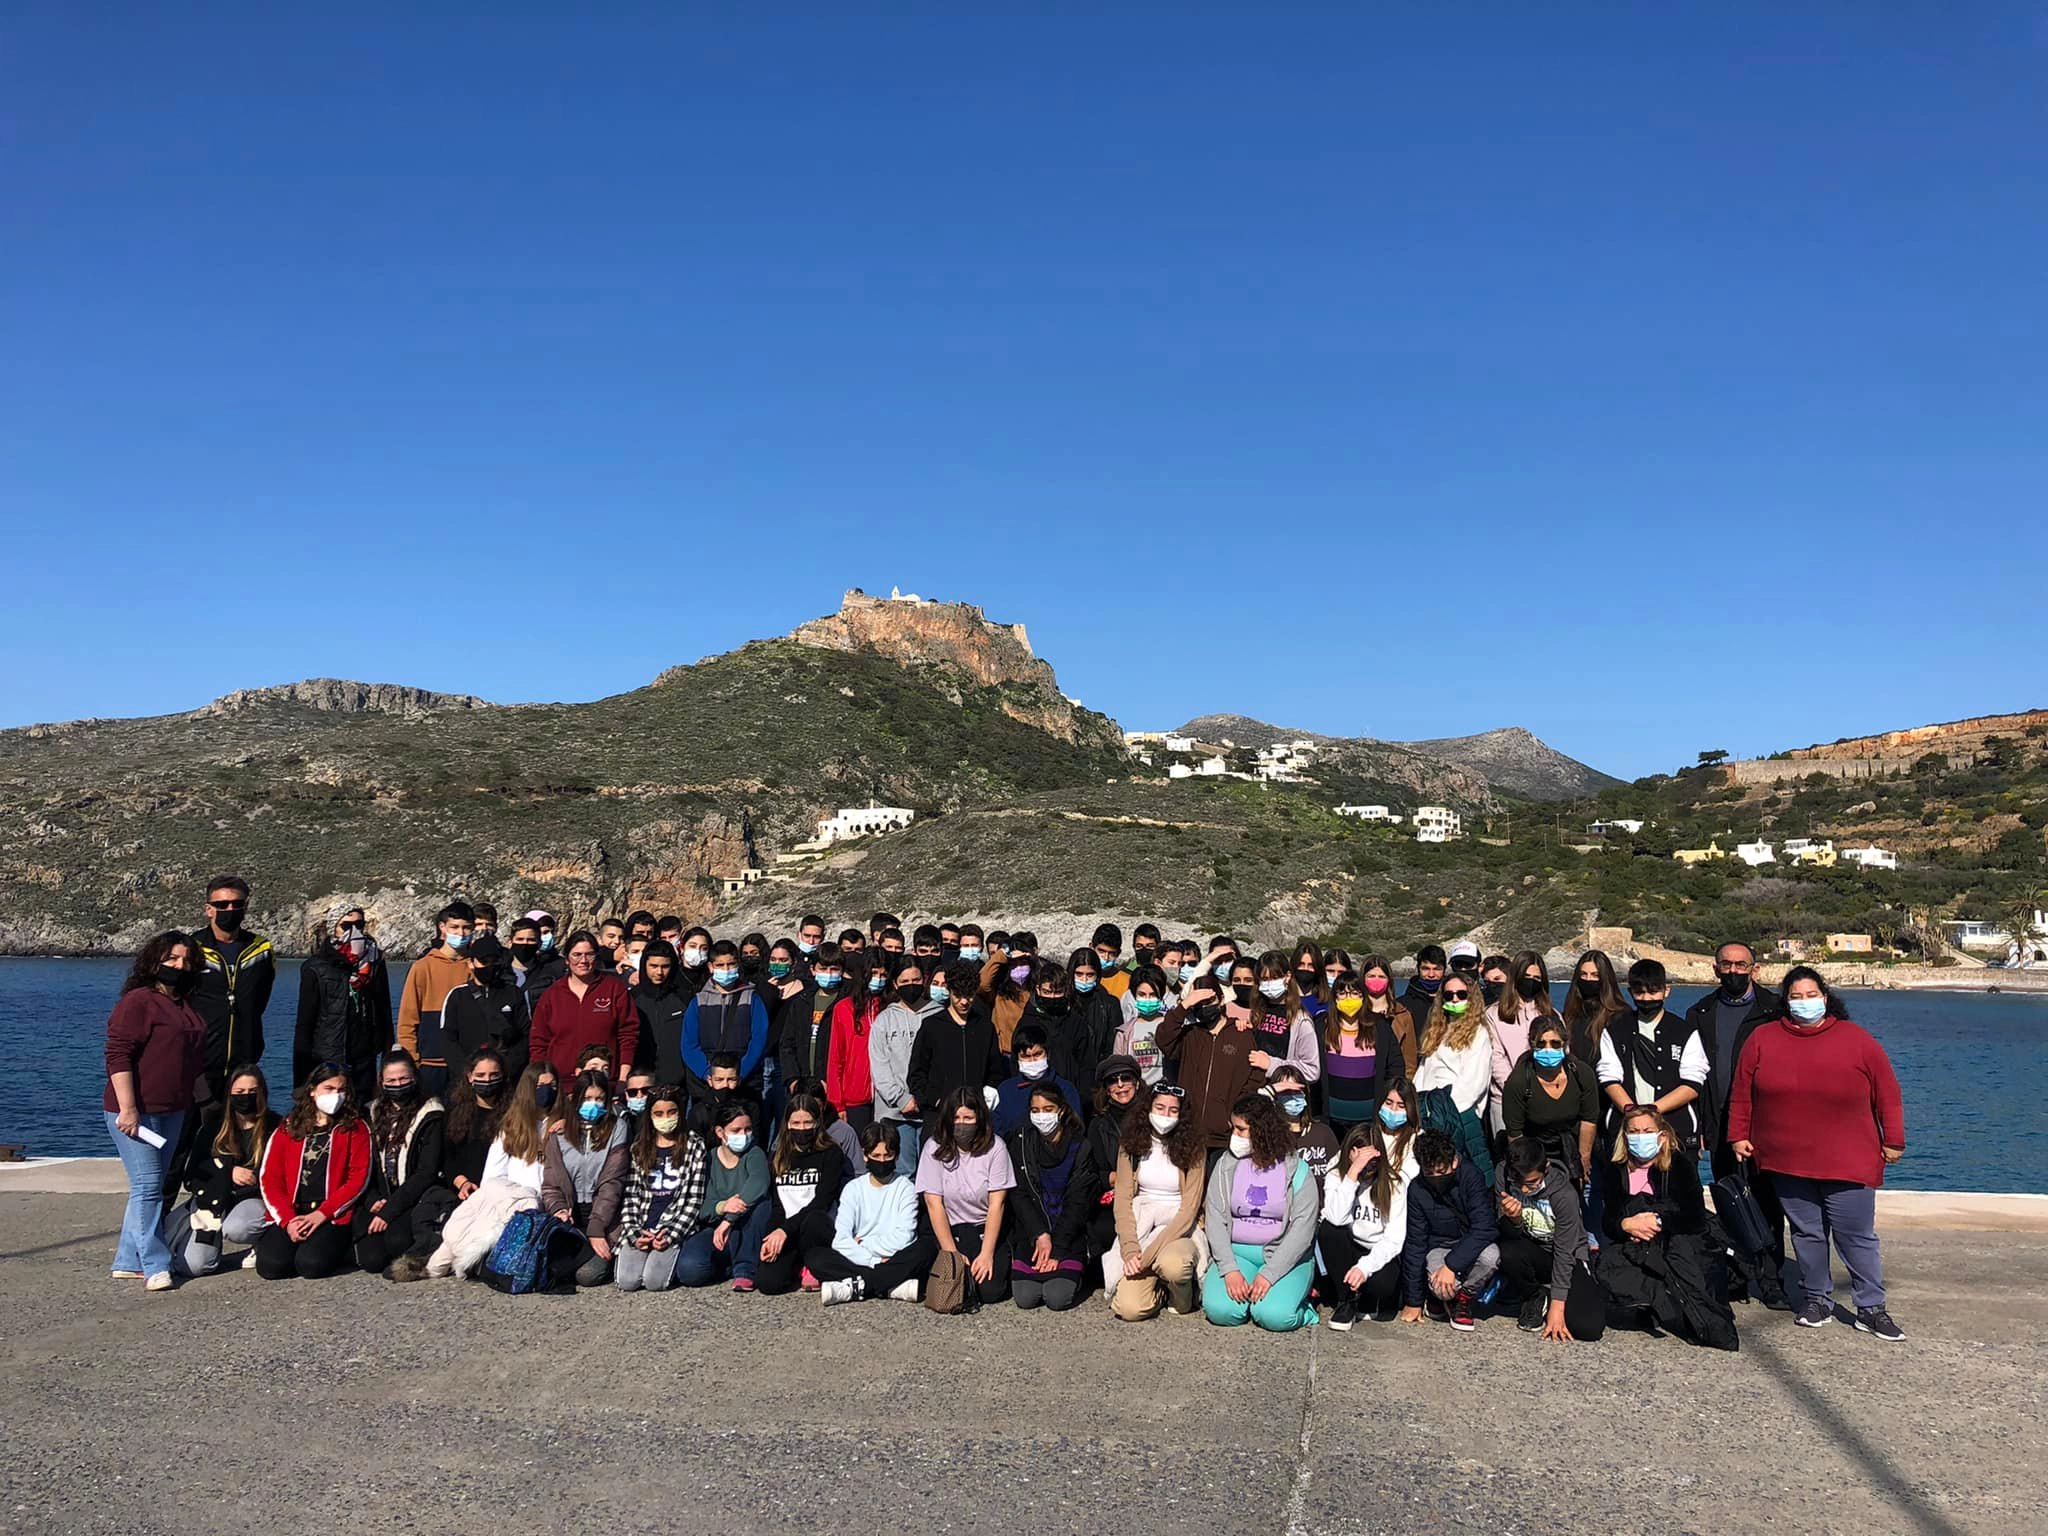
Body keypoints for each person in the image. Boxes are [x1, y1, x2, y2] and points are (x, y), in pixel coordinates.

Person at [1727, 967, 1906, 1341]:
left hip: (1849, 1159)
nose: (1804, 1002)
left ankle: (1871, 1307)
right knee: (1806, 1233)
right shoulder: (1762, 1038)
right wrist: (1738, 1135)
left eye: (1811, 995)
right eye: (1796, 996)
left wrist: (1893, 1140)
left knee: (1855, 1236)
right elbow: (1742, 1092)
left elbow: (1887, 1092)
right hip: (1786, 1158)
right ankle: (1816, 1299)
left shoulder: (1857, 1039)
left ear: (1825, 998)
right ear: (1785, 1001)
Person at [103, 931, 208, 1289]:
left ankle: (127, 1260)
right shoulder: (138, 1002)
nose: (180, 965)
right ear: (154, 962)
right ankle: (155, 1265)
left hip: (173, 1109)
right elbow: (118, 1054)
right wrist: (128, 1108)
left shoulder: (184, 1003)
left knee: (150, 1185)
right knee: (148, 1186)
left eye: (186, 960)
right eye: (172, 959)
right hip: (136, 1111)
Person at [1690, 941, 1791, 1309]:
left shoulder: (1774, 1010)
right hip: (1718, 1126)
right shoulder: (1700, 1012)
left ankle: (1772, 1280)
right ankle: (1737, 1274)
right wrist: (1701, 1124)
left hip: (1764, 1127)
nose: (1733, 971)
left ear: (1755, 969)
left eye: (1741, 964)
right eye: (1726, 965)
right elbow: (1695, 1075)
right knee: (1730, 1201)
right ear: (1715, 968)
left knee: (1767, 1205)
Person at [1594, 1106, 1739, 1350]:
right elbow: (1608, 1221)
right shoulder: (1616, 1170)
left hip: (1676, 1239)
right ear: (1625, 1136)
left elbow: (1694, 1216)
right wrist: (1626, 1224)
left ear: (1662, 1135)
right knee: (1607, 1264)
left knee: (1684, 1260)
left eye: (1647, 1131)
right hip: (1636, 1241)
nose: (1641, 1136)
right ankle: (1651, 1302)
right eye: (1634, 1131)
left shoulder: (1679, 1164)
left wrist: (1657, 1222)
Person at [1200, 1094, 1319, 1332]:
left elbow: (1303, 1230)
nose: (1235, 1135)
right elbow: (1215, 1218)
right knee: (1221, 1311)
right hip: (1237, 1254)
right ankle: (1246, 1296)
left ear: (1262, 1130)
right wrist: (1229, 1269)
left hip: (1284, 1258)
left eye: (1241, 1130)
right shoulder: (1225, 1165)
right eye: (1233, 1128)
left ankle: (1306, 1310)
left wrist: (1269, 1274)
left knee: (1274, 1316)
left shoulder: (1297, 1170)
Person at [254, 1064, 371, 1281]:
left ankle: (340, 1247)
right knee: (271, 1267)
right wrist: (288, 1220)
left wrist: (322, 1214)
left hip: (331, 1214)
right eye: (329, 1088)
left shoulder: (355, 1128)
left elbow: (358, 1179)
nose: (336, 1095)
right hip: (294, 1210)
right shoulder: (289, 1126)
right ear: (312, 1090)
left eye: (341, 1090)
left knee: (311, 1266)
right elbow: (270, 1177)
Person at [1316, 1090, 1420, 1328]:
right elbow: (1335, 1218)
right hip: (1347, 1247)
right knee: (1329, 1230)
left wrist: (1364, 1268)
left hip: (1376, 1251)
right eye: (1362, 1159)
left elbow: (1394, 1239)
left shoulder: (1394, 1184)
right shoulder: (1336, 1174)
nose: (1368, 1167)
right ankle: (1347, 1300)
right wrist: (1353, 1173)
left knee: (1382, 1284)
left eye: (1373, 1160)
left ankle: (1367, 1296)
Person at [354, 1049, 455, 1280]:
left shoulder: (431, 1113)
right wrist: (372, 1199)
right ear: (381, 1081)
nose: (398, 1085)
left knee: (396, 1243)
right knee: (372, 1260)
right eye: (391, 1080)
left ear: (415, 1078)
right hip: (380, 1195)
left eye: (403, 1079)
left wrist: (389, 1211)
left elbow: (426, 1172)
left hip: (414, 1196)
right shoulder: (372, 1112)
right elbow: (364, 1164)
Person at [810, 1121, 937, 1305]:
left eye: (888, 1155)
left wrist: (864, 1244)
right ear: (865, 1155)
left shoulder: (906, 1188)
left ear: (896, 1155)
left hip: (890, 1255)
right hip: (867, 1259)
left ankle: (858, 1286)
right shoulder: (853, 1189)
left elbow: (904, 1238)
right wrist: (873, 1261)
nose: (882, 1161)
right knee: (816, 1257)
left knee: (925, 1249)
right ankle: (891, 1286)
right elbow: (841, 1240)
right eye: (876, 1155)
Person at [1108, 1083, 1206, 1320]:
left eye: (1173, 1110)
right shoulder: (1130, 1145)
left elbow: (1189, 1209)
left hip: (1180, 1228)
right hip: (1142, 1221)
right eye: (1160, 1108)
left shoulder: (1194, 1148)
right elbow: (1122, 1201)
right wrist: (1130, 1250)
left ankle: (1181, 1294)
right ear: (1148, 1109)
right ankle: (1159, 1291)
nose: (1165, 1115)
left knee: (1174, 1266)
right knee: (1128, 1309)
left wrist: (1148, 1255)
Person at [169, 1063, 277, 1277]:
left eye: (252, 1091)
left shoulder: (276, 1125)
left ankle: (263, 1242)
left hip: (253, 1199)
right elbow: (193, 1175)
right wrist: (228, 1171)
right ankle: (195, 1234)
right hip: (214, 1201)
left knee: (237, 1228)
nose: (246, 1097)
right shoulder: (213, 1128)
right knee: (194, 1266)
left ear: (262, 1093)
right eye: (239, 1092)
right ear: (229, 1094)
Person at [1494, 1136, 1605, 1341]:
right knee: (1506, 1251)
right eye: (1518, 1183)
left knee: (1588, 1329)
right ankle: (1534, 1294)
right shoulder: (1503, 1174)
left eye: (1531, 1183)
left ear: (1546, 1169)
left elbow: (1565, 1251)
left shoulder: (1564, 1194)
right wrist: (1514, 1220)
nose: (1524, 1190)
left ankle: (1555, 1295)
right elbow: (1504, 1232)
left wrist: (1557, 1306)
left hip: (1566, 1255)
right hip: (1529, 1249)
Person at [1006, 1083, 1102, 1311]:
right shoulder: (1021, 1142)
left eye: (1048, 1109)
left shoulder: (1080, 1146)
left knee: (1057, 1298)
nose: (1041, 1116)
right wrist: (1039, 1234)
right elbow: (1019, 1193)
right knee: (1025, 1298)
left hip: (1068, 1234)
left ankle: (1077, 1274)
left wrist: (1057, 1248)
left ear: (1061, 1110)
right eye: (1035, 1110)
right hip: (1033, 1233)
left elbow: (1078, 1203)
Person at [917, 1086, 1016, 1306]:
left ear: (979, 1118)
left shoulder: (996, 1148)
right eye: (956, 1118)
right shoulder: (933, 1147)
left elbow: (997, 1203)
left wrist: (987, 1254)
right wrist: (952, 1255)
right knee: (954, 1288)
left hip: (984, 1228)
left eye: (968, 1118)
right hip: (949, 1230)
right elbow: (933, 1203)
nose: (961, 1124)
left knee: (990, 1291)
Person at [1156, 955, 1262, 1154]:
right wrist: (1184, 1006)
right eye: (1199, 1003)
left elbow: (1254, 1077)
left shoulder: (1242, 1035)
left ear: (1221, 1000)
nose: (1204, 1007)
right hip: (1188, 1133)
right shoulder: (1189, 1035)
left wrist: (1235, 1114)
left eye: (1209, 1001)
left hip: (1225, 1136)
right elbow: (1163, 1039)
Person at [612, 1085, 712, 1294]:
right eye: (658, 1114)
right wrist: (635, 1234)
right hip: (643, 1223)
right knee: (627, 1282)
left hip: (672, 1226)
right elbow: (631, 1196)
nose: (665, 1118)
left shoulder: (695, 1146)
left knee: (654, 1282)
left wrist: (670, 1235)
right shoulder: (639, 1147)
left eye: (671, 1112)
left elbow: (694, 1200)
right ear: (650, 1116)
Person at [1397, 1128, 1499, 1332]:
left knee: (1491, 1257)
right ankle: (1442, 1298)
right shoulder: (1417, 1189)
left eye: (1442, 1172)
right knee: (1440, 1287)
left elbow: (1484, 1226)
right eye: (1429, 1173)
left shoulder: (1471, 1176)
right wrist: (1413, 1301)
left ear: (1454, 1161)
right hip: (1438, 1246)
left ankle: (1463, 1298)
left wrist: (1451, 1266)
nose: (1436, 1178)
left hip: (1470, 1241)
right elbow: (1416, 1243)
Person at [1599, 960, 1708, 1148]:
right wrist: (1631, 1111)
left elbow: (1693, 1082)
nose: (1646, 998)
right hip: (1625, 1132)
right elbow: (1609, 1077)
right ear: (1630, 992)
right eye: (1639, 992)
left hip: (1675, 1131)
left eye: (1653, 992)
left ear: (1666, 991)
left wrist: (1654, 1110)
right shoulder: (1615, 1031)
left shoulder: (1684, 1032)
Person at [540, 1068, 630, 1286]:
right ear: (577, 1099)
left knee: (587, 1275)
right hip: (571, 1217)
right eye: (588, 1098)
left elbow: (612, 1183)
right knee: (548, 1270)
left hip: (604, 1217)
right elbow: (551, 1185)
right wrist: (558, 1209)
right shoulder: (559, 1134)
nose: (593, 1104)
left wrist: (597, 1228)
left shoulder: (617, 1127)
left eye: (599, 1099)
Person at [671, 1099, 774, 1290]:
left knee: (762, 1204)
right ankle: (726, 1268)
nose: (743, 1135)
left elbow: (758, 1184)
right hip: (715, 1229)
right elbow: (701, 1204)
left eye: (748, 1129)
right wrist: (722, 1206)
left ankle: (745, 1270)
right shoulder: (708, 1159)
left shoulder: (755, 1154)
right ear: (720, 1132)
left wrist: (729, 1219)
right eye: (736, 1130)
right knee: (689, 1270)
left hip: (747, 1226)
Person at [756, 1091, 851, 1295]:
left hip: (817, 1227)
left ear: (817, 1123)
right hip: (787, 1227)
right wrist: (772, 1235)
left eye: (808, 1122)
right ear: (787, 1124)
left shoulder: (831, 1153)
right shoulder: (778, 1156)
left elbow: (822, 1202)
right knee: (768, 1283)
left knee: (813, 1219)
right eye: (796, 1123)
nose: (802, 1128)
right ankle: (794, 1265)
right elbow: (778, 1205)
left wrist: (784, 1230)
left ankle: (811, 1264)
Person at [293, 910, 393, 1100]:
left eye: (359, 925)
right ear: (334, 928)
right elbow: (305, 1024)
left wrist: (388, 1063)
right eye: (346, 926)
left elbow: (384, 1014)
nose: (354, 931)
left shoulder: (374, 962)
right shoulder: (315, 967)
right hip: (327, 1060)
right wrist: (300, 1082)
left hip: (364, 1061)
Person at [190, 874, 278, 1086]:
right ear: (208, 910)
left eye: (237, 904)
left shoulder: (262, 950)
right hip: (197, 1064)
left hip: (244, 1064)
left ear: (245, 908)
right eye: (222, 905)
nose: (230, 909)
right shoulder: (192, 949)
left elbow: (261, 999)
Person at [907, 961, 1006, 1139]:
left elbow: (996, 1071)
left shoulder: (985, 1027)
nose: (964, 1002)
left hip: (975, 1117)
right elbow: (916, 1073)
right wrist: (934, 1100)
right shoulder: (932, 1026)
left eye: (969, 996)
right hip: (939, 1118)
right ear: (949, 991)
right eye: (958, 995)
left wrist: (988, 1094)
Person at [1412, 974, 1495, 1181]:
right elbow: (1423, 1070)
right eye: (1449, 995)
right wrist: (1417, 1105)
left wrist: (1444, 1112)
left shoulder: (1479, 1033)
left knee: (1466, 1175)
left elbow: (1474, 1083)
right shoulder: (1436, 1030)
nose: (1455, 999)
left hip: (1458, 1115)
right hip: (1429, 1113)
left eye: (1461, 994)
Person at [528, 930, 641, 1082]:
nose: (583, 960)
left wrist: (623, 1077)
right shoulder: (552, 995)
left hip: (605, 1082)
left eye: (589, 954)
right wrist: (542, 1079)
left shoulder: (614, 988)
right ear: (567, 959)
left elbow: (628, 1035)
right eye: (577, 955)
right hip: (561, 1083)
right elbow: (539, 1042)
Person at [1499, 1018, 1600, 1184]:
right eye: (1541, 1044)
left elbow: (1589, 1119)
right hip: (1534, 1149)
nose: (1548, 1049)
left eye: (1555, 1044)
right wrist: (1529, 1170)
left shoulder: (1582, 1073)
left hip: (1572, 1146)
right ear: (1532, 1045)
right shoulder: (1518, 1082)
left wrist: (1584, 1158)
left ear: (1564, 1044)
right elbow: (1515, 1133)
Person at [395, 901, 476, 1098]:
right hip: (430, 1064)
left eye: (466, 928)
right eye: (454, 927)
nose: (461, 933)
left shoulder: (475, 967)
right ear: (442, 927)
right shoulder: (422, 967)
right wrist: (413, 1061)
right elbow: (407, 1020)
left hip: (467, 1064)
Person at [680, 940, 771, 1109]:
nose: (726, 969)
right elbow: (689, 1044)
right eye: (720, 965)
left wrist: (739, 1073)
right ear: (710, 967)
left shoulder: (752, 998)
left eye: (731, 964)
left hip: (745, 1084)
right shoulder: (699, 1001)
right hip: (706, 1086)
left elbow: (759, 1039)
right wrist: (709, 1074)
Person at [870, 954, 938, 1165]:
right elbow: (879, 1066)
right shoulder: (884, 1020)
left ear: (924, 980)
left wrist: (927, 1097)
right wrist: (901, 1098)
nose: (911, 985)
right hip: (895, 1113)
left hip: (931, 1110)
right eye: (905, 981)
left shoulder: (938, 1015)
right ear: (895, 984)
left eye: (916, 980)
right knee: (903, 1170)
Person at [440, 934, 531, 1079]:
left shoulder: (514, 993)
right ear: (471, 963)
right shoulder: (457, 996)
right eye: (484, 962)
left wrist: (508, 1070)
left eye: (494, 961)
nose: (489, 966)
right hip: (467, 1078)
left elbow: (525, 1036)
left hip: (507, 1077)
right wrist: (467, 1072)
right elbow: (448, 1041)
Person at [1486, 951, 1559, 1132]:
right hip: (1505, 1101)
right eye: (1527, 976)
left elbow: (1562, 1053)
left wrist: (1544, 1091)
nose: (1531, 981)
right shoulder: (1494, 1014)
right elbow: (1495, 1057)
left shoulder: (1552, 1014)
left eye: (1537, 978)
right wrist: (1519, 1090)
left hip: (1547, 1100)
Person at [1320, 971, 1397, 1136]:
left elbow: (1395, 1066)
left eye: (1355, 993)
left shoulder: (1380, 1027)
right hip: (1331, 1120)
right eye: (1342, 993)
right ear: (1335, 997)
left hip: (1368, 1120)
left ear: (1363, 997)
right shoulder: (1321, 1027)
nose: (1349, 999)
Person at [1085, 1054, 1142, 1268]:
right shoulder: (1098, 1125)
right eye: (1112, 1080)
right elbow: (1093, 1172)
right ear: (1106, 1088)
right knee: (1103, 1228)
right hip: (1114, 1195)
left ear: (1136, 1082)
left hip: (1149, 1193)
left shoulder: (1151, 1117)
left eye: (1125, 1078)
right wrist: (1119, 1179)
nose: (1120, 1085)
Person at [438, 1049, 511, 1209]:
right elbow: (447, 1158)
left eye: (494, 1075)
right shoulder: (455, 1113)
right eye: (480, 1075)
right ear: (470, 1077)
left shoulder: (513, 1113)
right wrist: (463, 1183)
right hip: (464, 1193)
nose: (487, 1080)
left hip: (501, 1194)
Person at [826, 950, 888, 1133]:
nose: (878, 979)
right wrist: (837, 1103)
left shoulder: (890, 1007)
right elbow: (835, 1058)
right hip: (854, 1099)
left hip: (886, 1099)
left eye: (883, 974)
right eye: (874, 973)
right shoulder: (844, 1008)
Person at [993, 1023, 1082, 1137]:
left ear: (1047, 1054)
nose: (1032, 1061)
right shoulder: (1005, 1090)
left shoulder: (1066, 1089)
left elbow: (1076, 1129)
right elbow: (997, 1131)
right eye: (1025, 1056)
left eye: (1037, 1054)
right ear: (1017, 1059)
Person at [1247, 949, 1321, 1084]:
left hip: (1281, 1090)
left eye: (1275, 978)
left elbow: (1312, 1071)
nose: (1269, 984)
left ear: (1287, 976)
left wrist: (1271, 1064)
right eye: (1264, 979)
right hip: (1253, 1088)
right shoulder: (1256, 1012)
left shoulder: (1301, 1020)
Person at [1053, 951, 1122, 1089]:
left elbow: (1112, 1045)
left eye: (1090, 975)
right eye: (1079, 974)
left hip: (1097, 1077)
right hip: (1065, 1076)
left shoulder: (1109, 1004)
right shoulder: (1061, 1003)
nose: (1084, 979)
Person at [629, 939, 690, 1083]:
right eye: (653, 966)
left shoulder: (685, 998)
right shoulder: (631, 998)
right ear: (644, 965)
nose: (659, 972)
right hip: (640, 1081)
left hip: (676, 1080)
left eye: (665, 966)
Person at [1268, 1064, 1338, 1187]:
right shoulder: (1270, 1136)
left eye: (1296, 1091)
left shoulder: (1323, 1132)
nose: (1292, 1097)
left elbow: (1338, 1175)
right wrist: (1267, 1092)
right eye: (1285, 1092)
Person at [1560, 949, 1630, 1067]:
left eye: (1595, 975)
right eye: (1583, 974)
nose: (1588, 979)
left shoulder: (1620, 1016)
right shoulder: (1569, 1015)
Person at [1113, 965, 1171, 1084]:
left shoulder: (1170, 1026)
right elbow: (1118, 1068)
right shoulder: (1124, 1032)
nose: (1147, 999)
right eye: (1142, 994)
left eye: (1153, 994)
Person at [1397, 943, 1446, 1028]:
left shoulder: (1454, 1000)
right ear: (1418, 969)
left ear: (1444, 970)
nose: (1431, 974)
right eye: (1426, 969)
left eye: (1437, 969)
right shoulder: (1402, 1005)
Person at [1291, 941, 1330, 1023]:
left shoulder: (1327, 1000)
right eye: (1301, 964)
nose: (1305, 969)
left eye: (1311, 965)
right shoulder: (1284, 998)